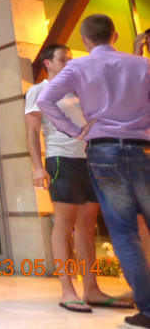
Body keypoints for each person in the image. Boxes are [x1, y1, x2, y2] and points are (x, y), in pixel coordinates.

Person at [37, 14, 150, 329]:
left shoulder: (79, 67)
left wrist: (76, 131)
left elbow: (47, 100)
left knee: (124, 233)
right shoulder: (142, 65)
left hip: (103, 152)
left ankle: (148, 310)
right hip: (142, 150)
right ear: (115, 36)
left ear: (84, 41)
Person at [25, 44, 131, 313]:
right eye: (63, 59)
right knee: (64, 223)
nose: (69, 63)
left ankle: (91, 289)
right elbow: (32, 132)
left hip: (90, 159)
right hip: (61, 159)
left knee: (87, 224)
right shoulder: (39, 90)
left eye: (71, 59)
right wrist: (37, 167)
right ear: (47, 63)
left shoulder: (80, 90)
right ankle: (67, 290)